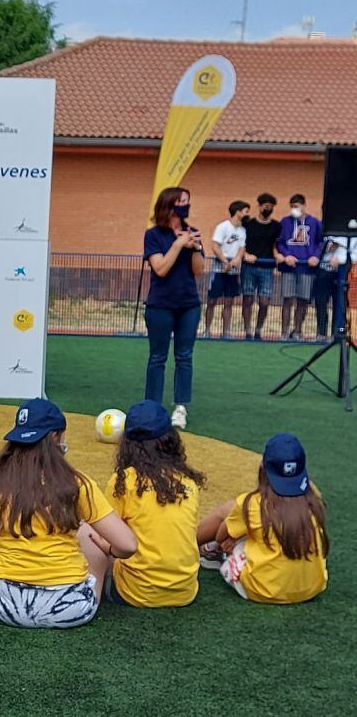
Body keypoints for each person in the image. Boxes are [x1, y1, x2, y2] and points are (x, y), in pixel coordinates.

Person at [0, 399, 137, 629]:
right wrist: (109, 551)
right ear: (56, 437)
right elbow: (127, 545)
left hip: (0, 604)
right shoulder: (77, 482)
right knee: (88, 534)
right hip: (70, 607)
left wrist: (5, 537)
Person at [197, 434, 327, 605]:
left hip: (262, 589)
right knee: (265, 528)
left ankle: (192, 546)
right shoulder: (314, 502)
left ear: (262, 468)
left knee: (229, 512)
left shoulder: (252, 503)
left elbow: (222, 536)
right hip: (312, 588)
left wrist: (226, 542)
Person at [101, 400, 206, 608]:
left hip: (134, 592)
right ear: (171, 440)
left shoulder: (124, 481)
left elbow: (106, 535)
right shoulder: (187, 481)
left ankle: (89, 596)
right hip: (185, 592)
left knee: (91, 529)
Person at [143, 187, 205, 430]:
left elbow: (198, 270)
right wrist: (179, 244)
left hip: (188, 304)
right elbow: (160, 268)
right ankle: (152, 407)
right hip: (160, 304)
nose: (186, 206)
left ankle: (181, 407)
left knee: (185, 356)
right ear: (170, 204)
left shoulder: (193, 232)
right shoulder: (154, 235)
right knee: (157, 357)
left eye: (188, 201)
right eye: (182, 201)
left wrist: (197, 248)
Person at [275, 193, 322, 341]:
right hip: (289, 267)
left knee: (303, 300)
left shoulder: (314, 223)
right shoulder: (285, 222)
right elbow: (280, 242)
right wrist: (286, 255)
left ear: (303, 206)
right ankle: (284, 331)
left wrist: (316, 256)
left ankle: (297, 331)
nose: (294, 209)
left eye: (296, 206)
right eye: (292, 207)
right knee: (287, 299)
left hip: (307, 268)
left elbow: (321, 242)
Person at [204, 200, 249, 339]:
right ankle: (207, 330)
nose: (247, 214)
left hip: (234, 269)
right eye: (245, 211)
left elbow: (242, 248)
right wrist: (224, 261)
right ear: (238, 211)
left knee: (229, 301)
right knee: (212, 300)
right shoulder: (222, 227)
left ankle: (226, 332)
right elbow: (215, 246)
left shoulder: (242, 230)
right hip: (219, 268)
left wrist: (236, 260)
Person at [242, 193, 281, 340]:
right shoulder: (249, 224)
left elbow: (276, 245)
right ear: (259, 206)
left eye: (270, 207)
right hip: (248, 267)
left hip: (267, 267)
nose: (268, 209)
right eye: (265, 206)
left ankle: (259, 329)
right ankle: (247, 331)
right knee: (247, 299)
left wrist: (276, 254)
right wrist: (245, 254)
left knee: (264, 301)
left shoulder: (276, 226)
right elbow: (240, 243)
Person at [313, 237, 346, 341]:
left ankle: (336, 333)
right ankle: (321, 333)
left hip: (340, 274)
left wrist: (341, 260)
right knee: (321, 302)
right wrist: (328, 248)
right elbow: (318, 247)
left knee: (339, 305)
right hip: (323, 272)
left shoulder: (348, 236)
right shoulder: (326, 233)